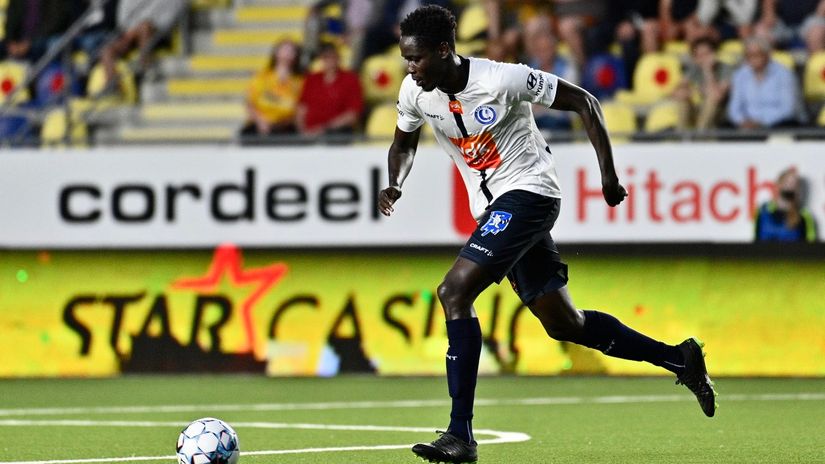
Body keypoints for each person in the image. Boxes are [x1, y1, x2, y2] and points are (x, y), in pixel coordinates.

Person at [378, 6, 718, 463]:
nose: (410, 68)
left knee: (454, 291)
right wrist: (396, 182)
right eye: (405, 59)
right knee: (564, 324)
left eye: (416, 59)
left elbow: (586, 102)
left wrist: (609, 177)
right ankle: (680, 359)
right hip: (493, 209)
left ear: (444, 50)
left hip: (530, 193)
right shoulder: (415, 92)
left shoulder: (503, 79)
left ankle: (460, 434)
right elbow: (402, 143)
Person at [98, 0, 185, 88]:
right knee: (107, 50)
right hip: (130, 35)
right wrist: (133, 32)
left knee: (145, 26)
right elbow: (123, 21)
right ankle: (113, 86)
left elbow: (168, 22)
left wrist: (138, 30)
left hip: (159, 35)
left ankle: (146, 70)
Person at [727, 37, 801, 129]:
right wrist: (742, 121)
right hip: (747, 125)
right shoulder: (740, 75)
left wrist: (761, 122)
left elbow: (787, 109)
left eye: (757, 54)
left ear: (767, 55)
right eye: (749, 55)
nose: (753, 59)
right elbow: (734, 108)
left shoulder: (784, 74)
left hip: (776, 123)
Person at [295, 42, 364, 138]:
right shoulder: (312, 79)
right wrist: (302, 131)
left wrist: (324, 129)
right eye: (326, 57)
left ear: (338, 58)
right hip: (309, 133)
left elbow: (352, 114)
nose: (329, 60)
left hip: (336, 134)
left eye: (332, 56)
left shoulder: (351, 79)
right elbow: (301, 108)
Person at [240, 40, 304, 139]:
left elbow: (300, 110)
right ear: (276, 53)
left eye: (291, 51)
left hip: (286, 128)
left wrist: (283, 123)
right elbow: (249, 103)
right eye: (284, 49)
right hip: (259, 126)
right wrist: (260, 121)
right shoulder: (262, 76)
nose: (287, 53)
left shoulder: (299, 81)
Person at [673, 36, 733, 130]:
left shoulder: (725, 68)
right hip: (698, 110)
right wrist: (687, 92)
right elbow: (676, 92)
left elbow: (717, 96)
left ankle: (700, 138)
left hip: (719, 114)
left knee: (711, 101)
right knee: (683, 102)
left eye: (706, 54)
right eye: (699, 55)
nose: (704, 58)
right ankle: (682, 138)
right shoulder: (694, 69)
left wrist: (708, 71)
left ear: (714, 53)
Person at [754, 167, 818, 242]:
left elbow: (811, 246)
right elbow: (756, 241)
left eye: (794, 184)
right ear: (779, 184)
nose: (790, 187)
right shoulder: (763, 211)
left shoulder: (804, 215)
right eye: (787, 183)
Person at [755, 0, 825, 53]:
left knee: (817, 34)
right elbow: (769, 5)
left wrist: (820, 13)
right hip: (782, 21)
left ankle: (814, 68)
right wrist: (769, 13)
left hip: (810, 20)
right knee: (761, 32)